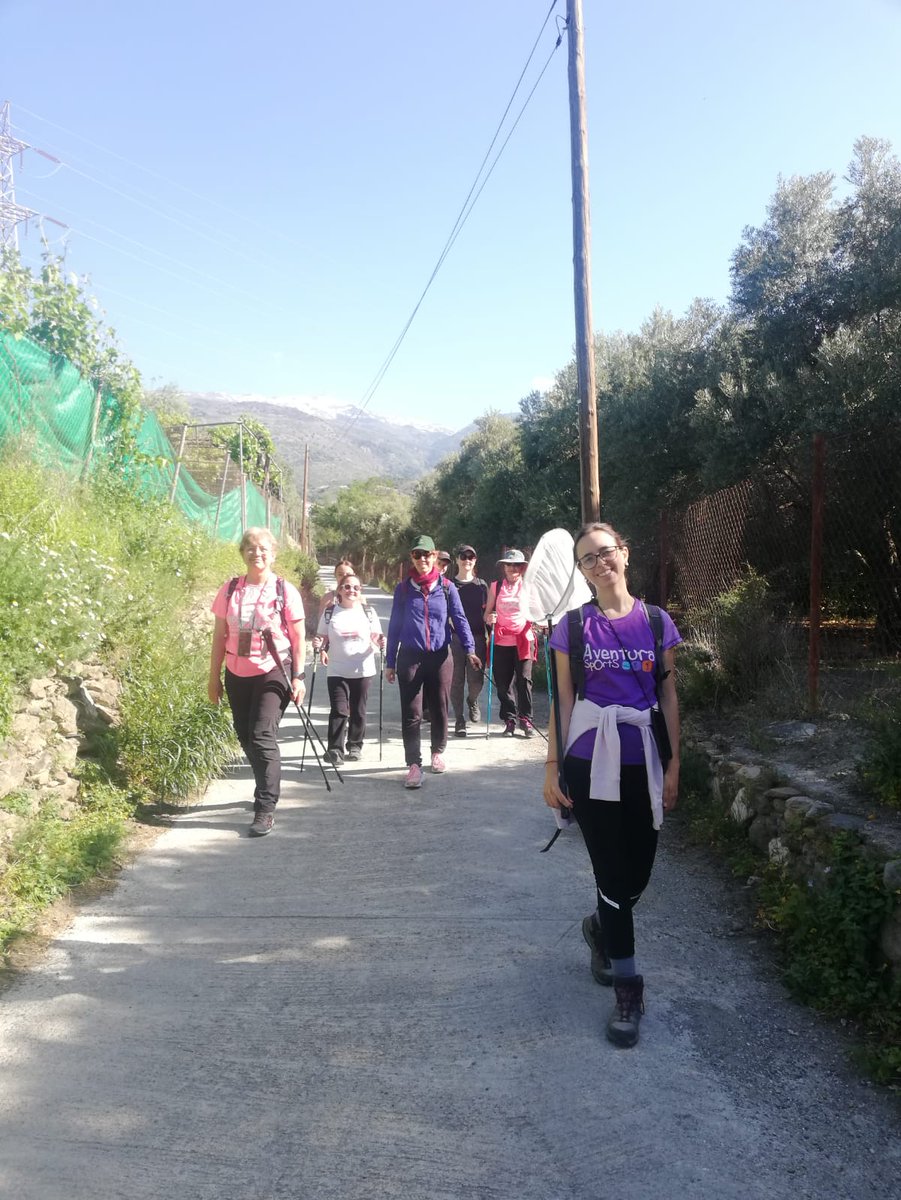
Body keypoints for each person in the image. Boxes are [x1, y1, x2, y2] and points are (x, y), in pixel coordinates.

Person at [543, 521, 681, 1048]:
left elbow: (667, 697)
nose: (600, 564)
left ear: (624, 553)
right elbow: (563, 700)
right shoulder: (572, 628)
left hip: (644, 758)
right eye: (588, 560)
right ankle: (628, 987)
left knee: (639, 873)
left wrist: (674, 765)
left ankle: (600, 927)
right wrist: (552, 767)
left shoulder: (655, 621)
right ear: (582, 572)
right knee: (610, 870)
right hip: (587, 758)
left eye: (606, 553)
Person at [209, 527, 306, 837]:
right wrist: (214, 678)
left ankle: (265, 807)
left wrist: (299, 676)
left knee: (262, 734)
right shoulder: (229, 589)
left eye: (263, 548)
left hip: (273, 669)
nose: (257, 553)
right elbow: (219, 636)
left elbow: (298, 636)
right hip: (237, 672)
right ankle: (267, 780)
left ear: (273, 554)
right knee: (245, 736)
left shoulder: (284, 590)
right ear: (242, 553)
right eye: (250, 547)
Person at [385, 535, 481, 789]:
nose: (422, 560)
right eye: (417, 555)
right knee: (412, 713)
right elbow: (394, 627)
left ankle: (437, 752)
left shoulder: (447, 588)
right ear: (412, 558)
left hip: (440, 656)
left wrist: (470, 649)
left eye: (426, 554)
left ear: (435, 556)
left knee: (440, 707)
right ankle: (414, 765)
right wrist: (390, 661)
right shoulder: (404, 589)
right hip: (410, 658)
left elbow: (460, 620)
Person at [316, 573, 383, 764]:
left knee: (358, 709)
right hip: (336, 669)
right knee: (339, 710)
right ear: (339, 590)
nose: (351, 590)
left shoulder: (368, 612)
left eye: (355, 587)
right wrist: (318, 644)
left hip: (362, 669)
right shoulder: (330, 613)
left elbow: (377, 638)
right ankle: (335, 750)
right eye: (347, 587)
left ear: (360, 590)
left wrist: (381, 641)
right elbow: (322, 637)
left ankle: (354, 746)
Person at [484, 548, 536, 737]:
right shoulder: (495, 587)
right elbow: (487, 613)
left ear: (522, 568)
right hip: (501, 641)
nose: (513, 568)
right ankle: (510, 720)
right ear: (504, 567)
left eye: (517, 565)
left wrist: (540, 623)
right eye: (509, 565)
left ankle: (526, 720)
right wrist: (490, 618)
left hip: (523, 640)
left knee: (524, 681)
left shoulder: (529, 587)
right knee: (503, 684)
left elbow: (536, 611)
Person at [450, 544, 487, 737]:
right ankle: (459, 719)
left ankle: (472, 701)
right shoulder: (448, 585)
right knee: (456, 680)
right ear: (457, 560)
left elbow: (488, 613)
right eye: (463, 557)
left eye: (470, 557)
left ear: (475, 560)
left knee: (476, 681)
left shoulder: (481, 585)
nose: (467, 560)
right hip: (454, 639)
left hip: (478, 638)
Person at [312, 559, 355, 652]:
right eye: (340, 574)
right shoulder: (327, 599)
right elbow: (321, 628)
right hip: (333, 650)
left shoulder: (360, 600)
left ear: (354, 575)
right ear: (335, 575)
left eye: (348, 574)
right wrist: (322, 648)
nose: (344, 577)